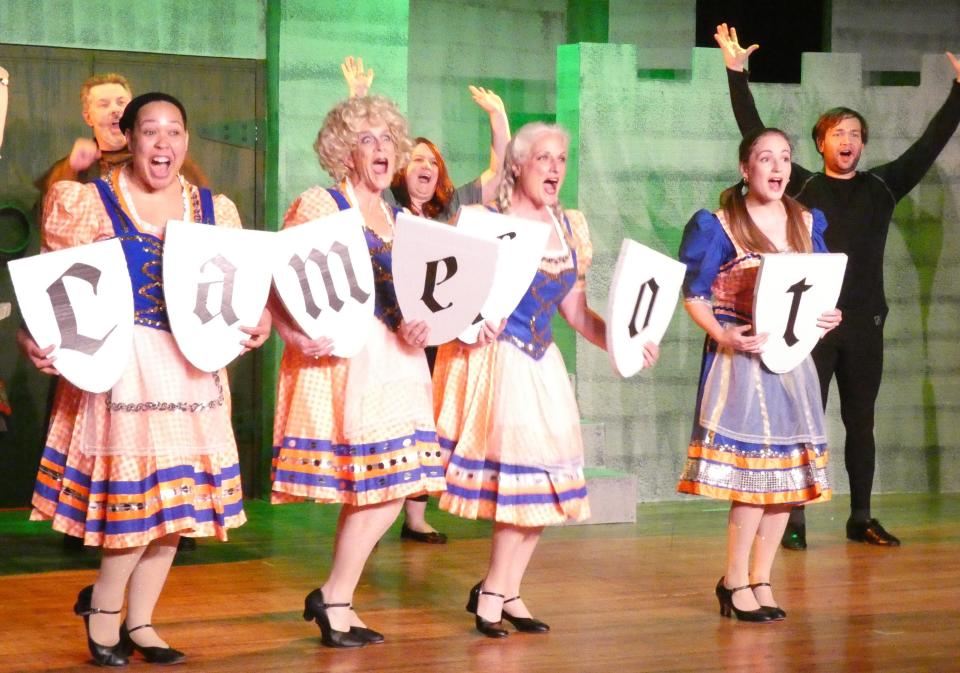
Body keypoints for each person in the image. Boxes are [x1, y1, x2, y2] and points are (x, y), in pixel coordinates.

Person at [23, 92, 270, 666]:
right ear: (129, 139)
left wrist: (256, 318)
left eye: (175, 132)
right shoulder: (88, 203)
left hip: (193, 372)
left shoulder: (216, 210)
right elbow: (51, 291)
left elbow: (240, 293)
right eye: (151, 132)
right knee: (135, 509)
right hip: (126, 368)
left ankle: (141, 621)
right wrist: (33, 338)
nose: (164, 144)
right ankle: (104, 613)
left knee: (177, 507)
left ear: (186, 141)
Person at [715, 23, 960, 549]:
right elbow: (757, 137)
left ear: (863, 144)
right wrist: (736, 74)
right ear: (820, 143)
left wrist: (959, 93)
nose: (846, 141)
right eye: (836, 134)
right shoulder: (801, 184)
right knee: (805, 420)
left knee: (861, 422)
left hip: (865, 323)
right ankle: (794, 520)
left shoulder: (883, 187)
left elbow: (929, 143)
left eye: (854, 134)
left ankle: (861, 517)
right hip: (811, 324)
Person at [432, 121, 658, 638]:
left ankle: (507, 589)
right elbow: (449, 295)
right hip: (499, 361)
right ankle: (493, 590)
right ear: (517, 164)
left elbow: (577, 314)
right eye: (544, 159)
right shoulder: (485, 221)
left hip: (542, 364)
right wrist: (470, 325)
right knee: (521, 486)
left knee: (546, 487)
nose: (555, 168)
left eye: (561, 159)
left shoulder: (569, 227)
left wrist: (625, 342)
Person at [270, 94, 446, 648]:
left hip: (397, 357)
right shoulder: (320, 204)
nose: (380, 148)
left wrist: (423, 326)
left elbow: (419, 300)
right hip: (349, 358)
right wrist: (292, 334)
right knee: (375, 486)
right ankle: (336, 598)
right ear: (344, 152)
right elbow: (275, 277)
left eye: (386, 139)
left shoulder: (400, 216)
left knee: (395, 484)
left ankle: (336, 597)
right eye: (366, 139)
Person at [341, 57, 511, 544]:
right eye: (417, 161)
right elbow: (353, 166)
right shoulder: (387, 207)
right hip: (393, 329)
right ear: (399, 169)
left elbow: (500, 171)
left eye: (433, 163)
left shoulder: (450, 209)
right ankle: (379, 505)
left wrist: (497, 118)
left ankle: (414, 514)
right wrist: (358, 97)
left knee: (429, 420)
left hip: (442, 330)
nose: (427, 168)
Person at [677, 127, 842, 622]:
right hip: (742, 363)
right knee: (752, 482)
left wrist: (826, 317)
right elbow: (694, 295)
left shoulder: (806, 221)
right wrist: (723, 335)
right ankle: (734, 579)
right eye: (765, 158)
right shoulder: (720, 224)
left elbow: (813, 291)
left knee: (786, 482)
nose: (777, 167)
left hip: (792, 364)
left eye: (785, 158)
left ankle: (762, 577)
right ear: (745, 168)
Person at [37, 73, 207, 201]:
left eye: (121, 102)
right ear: (88, 117)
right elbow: (50, 220)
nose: (115, 110)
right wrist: (71, 168)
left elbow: (199, 214)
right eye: (104, 104)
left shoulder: (165, 159)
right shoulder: (71, 169)